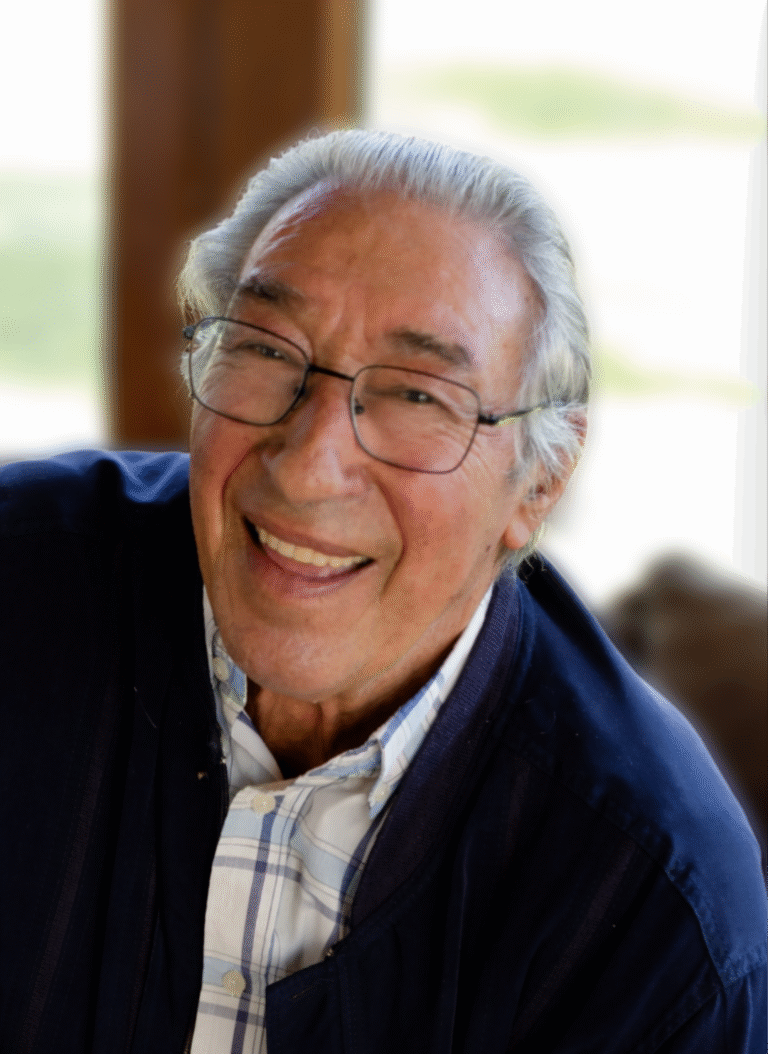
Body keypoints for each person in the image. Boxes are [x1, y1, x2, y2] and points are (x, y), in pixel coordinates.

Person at [0, 129, 764, 1054]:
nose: (308, 467)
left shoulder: (653, 912)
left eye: (417, 396)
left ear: (536, 486)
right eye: (267, 348)